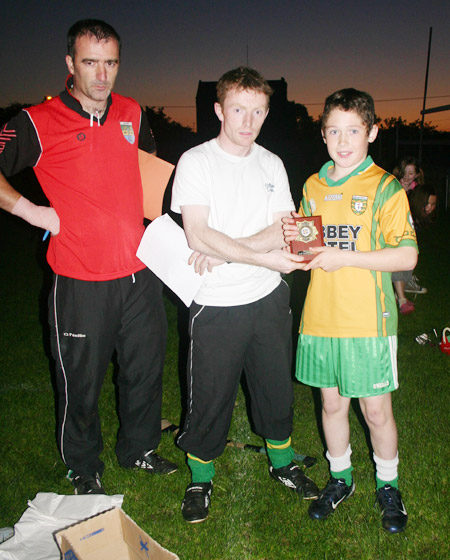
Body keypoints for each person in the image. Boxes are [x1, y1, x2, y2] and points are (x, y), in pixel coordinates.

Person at [0, 19, 176, 495]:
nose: (101, 75)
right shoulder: (38, 120)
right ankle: (83, 466)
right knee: (80, 382)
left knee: (144, 371)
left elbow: (149, 163)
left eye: (111, 62)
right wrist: (31, 210)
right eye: (90, 62)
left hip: (141, 273)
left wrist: (158, 222)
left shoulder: (132, 111)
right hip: (79, 279)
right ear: (70, 64)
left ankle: (138, 449)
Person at [171, 66, 319, 523]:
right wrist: (253, 254)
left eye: (258, 111)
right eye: (238, 109)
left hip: (268, 298)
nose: (247, 121)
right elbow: (197, 235)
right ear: (219, 109)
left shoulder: (272, 163)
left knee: (275, 388)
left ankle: (282, 463)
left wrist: (231, 251)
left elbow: (283, 229)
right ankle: (200, 477)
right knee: (210, 396)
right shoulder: (196, 162)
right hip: (215, 302)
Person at [283, 88, 418, 533]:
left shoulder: (385, 187)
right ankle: (340, 478)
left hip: (368, 322)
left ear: (372, 132)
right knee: (331, 404)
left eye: (354, 131)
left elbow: (406, 257)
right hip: (320, 319)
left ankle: (388, 485)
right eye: (335, 131)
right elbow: (306, 253)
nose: (344, 141)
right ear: (323, 135)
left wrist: (347, 257)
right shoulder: (313, 185)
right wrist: (293, 240)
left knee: (376, 411)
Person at [391, 157, 426, 313]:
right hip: (393, 231)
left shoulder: (418, 190)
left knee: (407, 261)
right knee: (398, 261)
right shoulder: (392, 185)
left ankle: (400, 293)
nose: (407, 176)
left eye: (411, 173)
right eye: (405, 172)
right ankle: (401, 299)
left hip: (410, 230)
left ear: (417, 174)